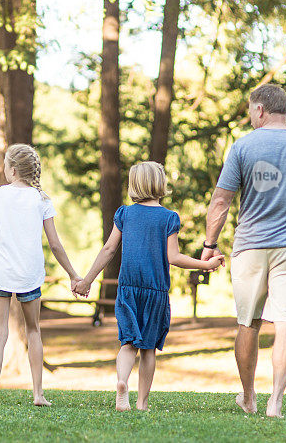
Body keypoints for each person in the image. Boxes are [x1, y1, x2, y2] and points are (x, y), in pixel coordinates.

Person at [200, 84, 286, 418]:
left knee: (248, 323)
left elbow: (221, 202)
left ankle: (248, 397)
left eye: (251, 111)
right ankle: (275, 401)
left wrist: (209, 245)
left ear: (260, 110)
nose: (251, 117)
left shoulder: (243, 146)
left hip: (250, 247)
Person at [73, 161, 225, 411]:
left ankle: (122, 382)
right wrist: (204, 265)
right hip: (155, 292)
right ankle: (142, 403)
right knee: (149, 349)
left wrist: (87, 280)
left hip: (128, 289)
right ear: (160, 184)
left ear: (134, 185)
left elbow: (109, 249)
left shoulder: (124, 214)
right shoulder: (169, 218)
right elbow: (173, 258)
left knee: (127, 343)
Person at [0, 143, 82, 407]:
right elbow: (56, 245)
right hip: (29, 274)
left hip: (0, 273)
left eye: (5, 165)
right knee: (33, 330)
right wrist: (73, 274)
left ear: (13, 170)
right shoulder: (41, 199)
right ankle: (38, 394)